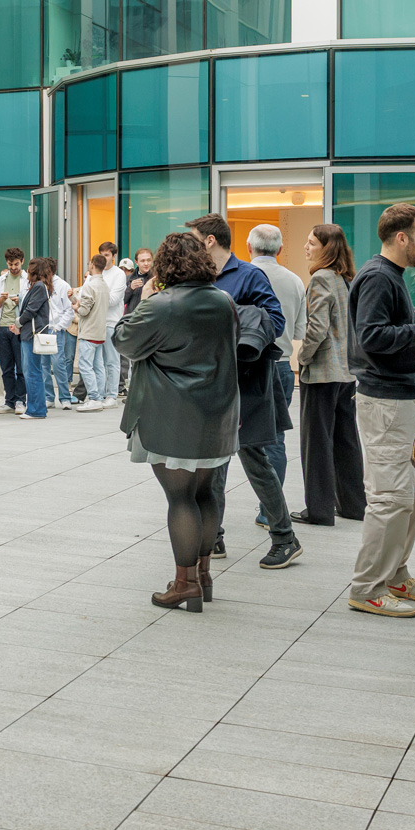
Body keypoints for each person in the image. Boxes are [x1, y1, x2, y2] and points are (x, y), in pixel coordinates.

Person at [113, 233, 239, 613]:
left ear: (165, 266)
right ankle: (202, 575)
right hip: (218, 412)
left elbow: (125, 342)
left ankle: (183, 584)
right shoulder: (224, 300)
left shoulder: (162, 304)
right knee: (207, 493)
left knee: (180, 498)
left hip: (171, 415)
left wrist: (147, 298)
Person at [185, 215, 296, 567]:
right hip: (209, 384)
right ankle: (213, 534)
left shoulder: (248, 275)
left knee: (254, 459)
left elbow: (275, 321)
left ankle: (284, 536)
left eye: (194, 239)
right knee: (212, 462)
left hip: (245, 382)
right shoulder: (199, 278)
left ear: (210, 241)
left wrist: (236, 322)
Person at [346, 203, 415, 617]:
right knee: (390, 498)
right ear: (402, 238)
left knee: (411, 498)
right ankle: (366, 588)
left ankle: (394, 572)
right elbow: (372, 337)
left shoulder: (387, 275)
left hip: (398, 398)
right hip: (384, 401)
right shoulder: (380, 277)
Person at [293, 224, 365, 527]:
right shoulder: (344, 278)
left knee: (317, 443)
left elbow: (317, 328)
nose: (306, 247)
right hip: (346, 373)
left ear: (326, 248)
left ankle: (319, 510)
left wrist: (302, 357)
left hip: (322, 373)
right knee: (346, 440)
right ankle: (353, 505)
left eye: (311, 243)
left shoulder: (321, 278)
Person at [248, 225, 305, 487]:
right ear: (280, 249)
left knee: (231, 437)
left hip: (246, 365)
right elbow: (300, 330)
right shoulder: (294, 280)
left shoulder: (241, 276)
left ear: (249, 247)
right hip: (281, 365)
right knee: (275, 438)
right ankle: (271, 512)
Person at [0, 248, 30, 413]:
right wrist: (1, 298)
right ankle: (9, 401)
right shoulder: (0, 280)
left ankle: (21, 400)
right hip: (2, 327)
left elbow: (31, 304)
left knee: (21, 366)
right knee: (6, 367)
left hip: (18, 328)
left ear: (22, 261)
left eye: (16, 264)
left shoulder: (27, 280)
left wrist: (19, 299)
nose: (13, 267)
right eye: (10, 264)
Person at [16, 257, 53, 420]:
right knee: (32, 370)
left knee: (32, 371)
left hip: (32, 334)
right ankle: (37, 407)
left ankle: (36, 409)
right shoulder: (40, 286)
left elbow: (31, 310)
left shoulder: (38, 287)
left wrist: (18, 322)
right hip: (31, 332)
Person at [73, 256, 111, 412]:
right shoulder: (104, 285)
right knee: (98, 366)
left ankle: (94, 398)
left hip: (88, 331)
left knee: (85, 365)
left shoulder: (89, 286)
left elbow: (84, 310)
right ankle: (99, 396)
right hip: (100, 331)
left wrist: (76, 307)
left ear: (93, 265)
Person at [44, 260, 77, 409]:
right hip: (43, 328)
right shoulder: (40, 284)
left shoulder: (63, 285)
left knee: (58, 364)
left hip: (56, 329)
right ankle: (48, 396)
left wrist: (59, 327)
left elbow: (69, 310)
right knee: (43, 365)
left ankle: (64, 397)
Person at [96, 241, 126, 406]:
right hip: (96, 322)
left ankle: (112, 395)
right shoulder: (96, 272)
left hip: (111, 322)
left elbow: (114, 300)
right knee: (97, 361)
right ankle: (99, 394)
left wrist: (96, 297)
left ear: (114, 257)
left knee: (112, 360)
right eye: (101, 254)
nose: (104, 258)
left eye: (107, 255)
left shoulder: (119, 274)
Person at [123, 248, 152, 316]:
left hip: (149, 318)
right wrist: (131, 288)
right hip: (131, 319)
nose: (146, 263)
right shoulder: (129, 278)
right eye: (142, 261)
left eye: (148, 260)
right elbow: (122, 301)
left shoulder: (156, 278)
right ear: (136, 262)